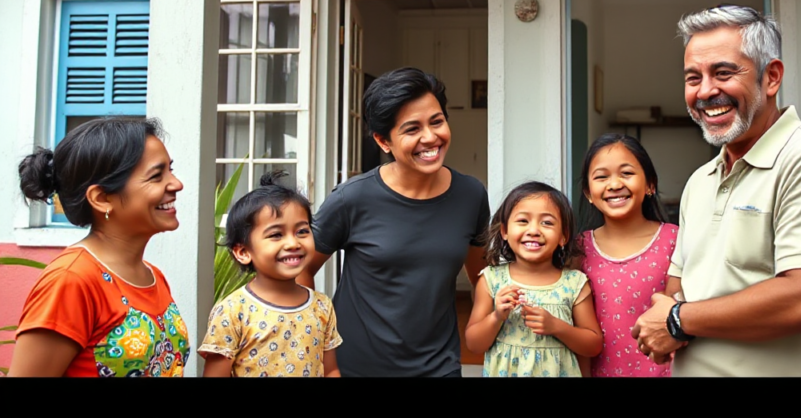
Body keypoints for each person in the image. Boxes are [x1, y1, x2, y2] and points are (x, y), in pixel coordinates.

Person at [631, 4, 801, 377]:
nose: (706, 91)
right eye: (693, 78)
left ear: (771, 77)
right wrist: (668, 318)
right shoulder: (700, 181)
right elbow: (678, 288)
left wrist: (678, 319)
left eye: (723, 73)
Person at [298, 67, 490, 377]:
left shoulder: (471, 195)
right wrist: (314, 336)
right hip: (355, 367)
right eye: (412, 129)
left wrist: (485, 327)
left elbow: (481, 276)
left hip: (439, 367)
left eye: (437, 121)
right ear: (383, 141)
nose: (430, 137)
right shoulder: (352, 198)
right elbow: (301, 268)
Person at [10, 117, 189, 377]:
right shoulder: (71, 281)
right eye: (156, 176)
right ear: (102, 198)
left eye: (170, 170)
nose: (176, 184)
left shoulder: (153, 276)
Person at [199, 172, 342, 377]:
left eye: (302, 231)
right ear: (243, 252)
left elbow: (331, 370)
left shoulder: (322, 306)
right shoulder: (233, 311)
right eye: (276, 234)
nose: (293, 243)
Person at [464, 181, 602, 376]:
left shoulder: (574, 284)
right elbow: (474, 344)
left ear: (564, 236)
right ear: (504, 231)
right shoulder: (491, 279)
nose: (534, 230)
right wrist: (497, 317)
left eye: (547, 222)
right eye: (522, 221)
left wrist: (557, 327)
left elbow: (593, 346)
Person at [576, 133, 678, 377]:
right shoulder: (578, 250)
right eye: (601, 177)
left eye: (626, 173)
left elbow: (679, 316)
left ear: (650, 184)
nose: (614, 185)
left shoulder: (675, 240)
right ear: (588, 192)